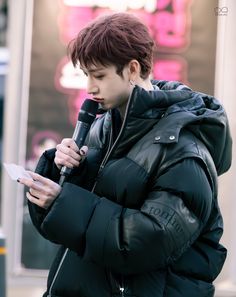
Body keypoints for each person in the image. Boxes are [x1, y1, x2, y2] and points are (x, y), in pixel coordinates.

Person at [18, 12, 232, 297]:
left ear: (132, 69)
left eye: (99, 75)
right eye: (87, 76)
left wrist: (65, 202)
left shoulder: (184, 149)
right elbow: (75, 227)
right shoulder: (102, 127)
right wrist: (62, 172)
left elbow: (146, 242)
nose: (90, 87)